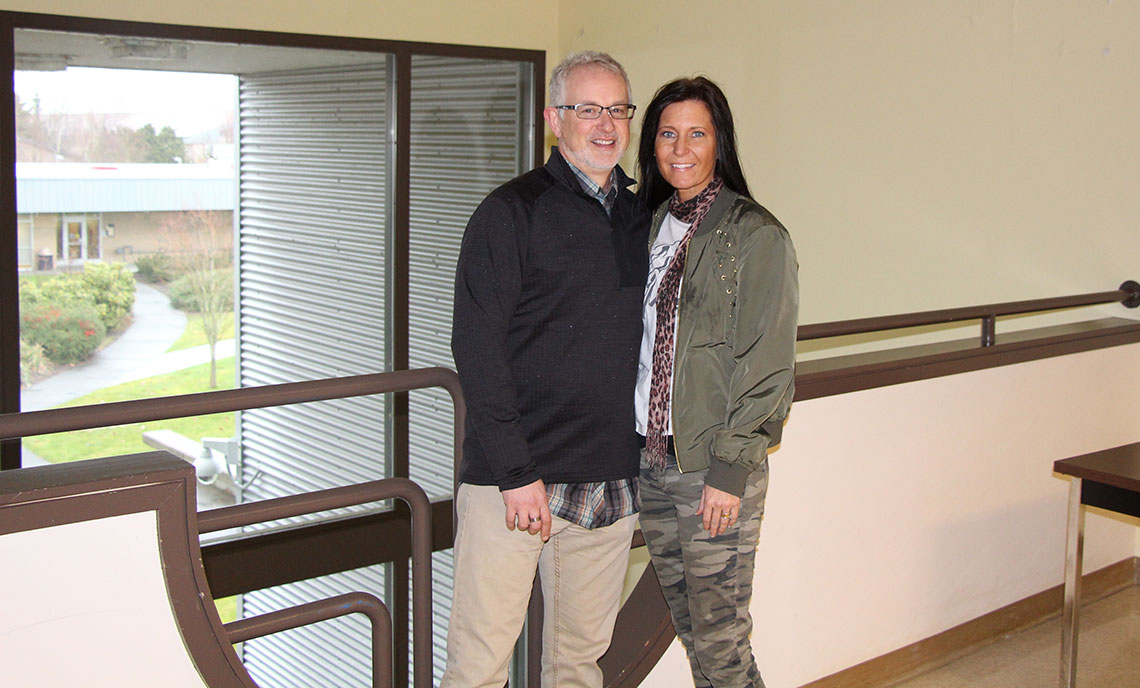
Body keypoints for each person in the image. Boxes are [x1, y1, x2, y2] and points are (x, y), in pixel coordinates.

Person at [442, 51, 649, 688]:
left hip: (608, 481)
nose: (606, 124)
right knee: (479, 667)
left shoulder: (644, 217)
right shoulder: (510, 214)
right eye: (588, 109)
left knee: (578, 665)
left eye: (618, 109)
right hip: (516, 484)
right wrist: (515, 470)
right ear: (554, 120)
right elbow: (475, 348)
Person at [635, 76, 798, 688]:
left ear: (719, 141)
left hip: (712, 470)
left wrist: (729, 474)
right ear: (651, 145)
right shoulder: (650, 227)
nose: (681, 147)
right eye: (668, 133)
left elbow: (766, 364)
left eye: (697, 133)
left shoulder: (755, 235)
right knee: (693, 631)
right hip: (653, 466)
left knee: (722, 639)